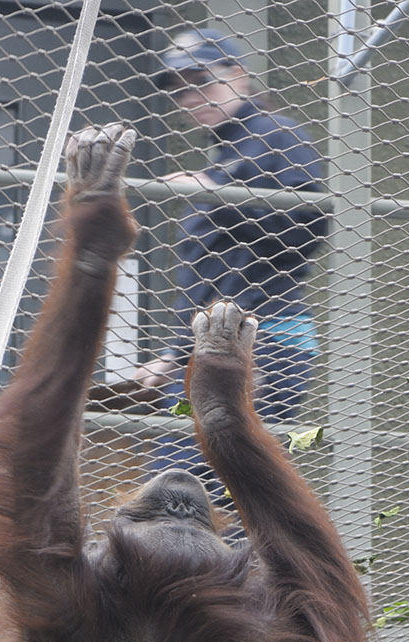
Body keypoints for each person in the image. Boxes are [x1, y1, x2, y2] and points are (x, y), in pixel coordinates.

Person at [137, 27, 329, 426]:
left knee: (202, 474)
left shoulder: (278, 134)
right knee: (196, 476)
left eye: (202, 81)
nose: (191, 97)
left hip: (265, 337)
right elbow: (209, 277)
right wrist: (173, 354)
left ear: (238, 74)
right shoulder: (225, 154)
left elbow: (308, 228)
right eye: (179, 90)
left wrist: (220, 198)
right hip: (213, 343)